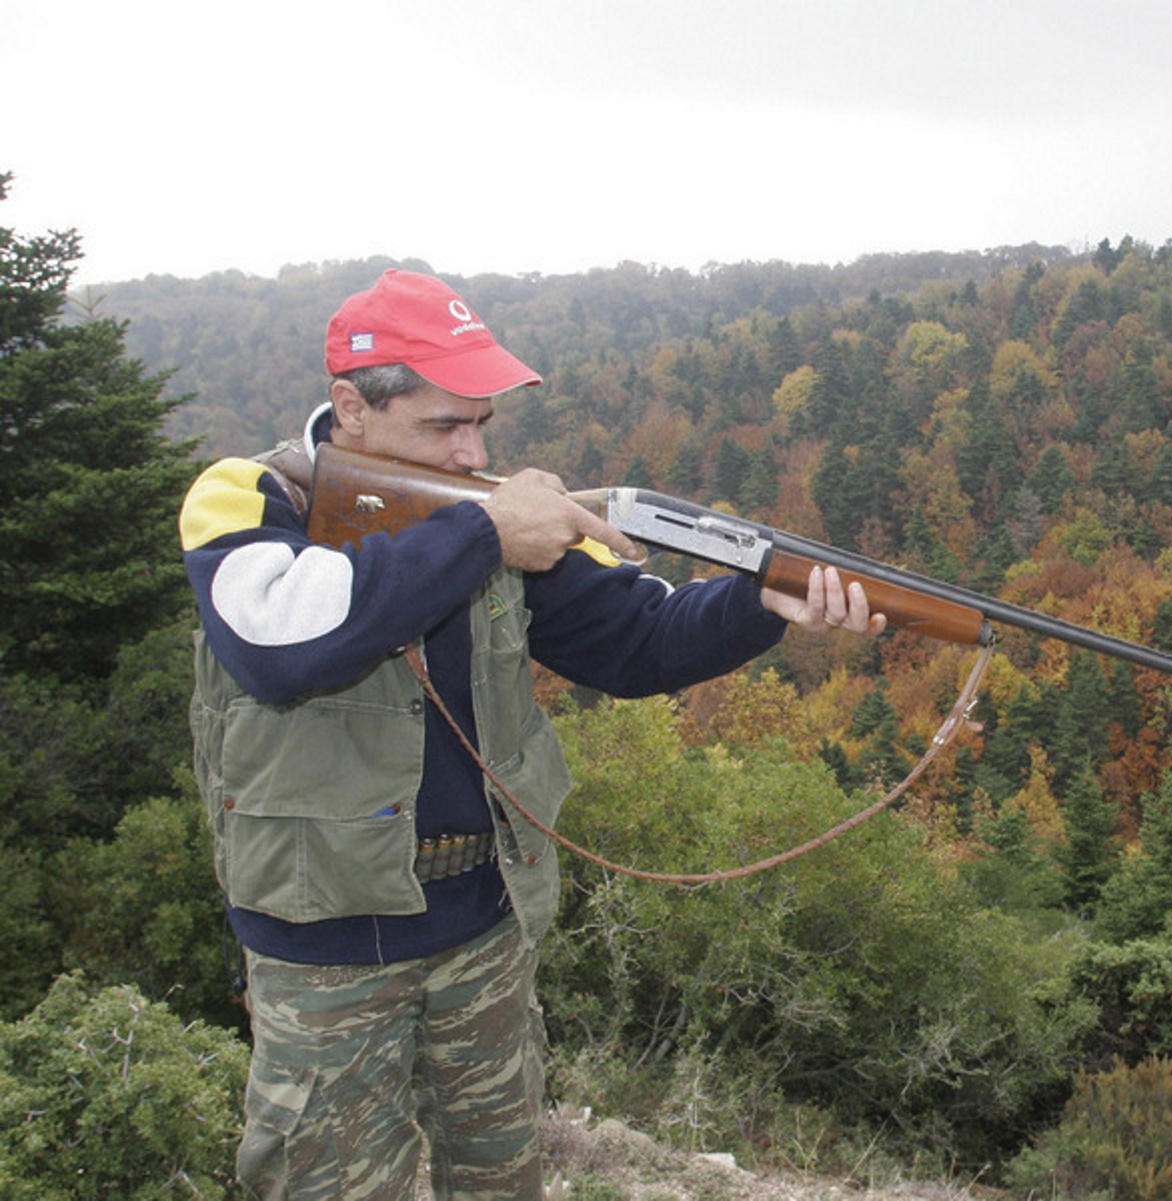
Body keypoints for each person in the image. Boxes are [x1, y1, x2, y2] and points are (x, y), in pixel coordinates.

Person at [179, 268, 885, 1199]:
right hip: (325, 939)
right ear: (350, 407)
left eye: (482, 425)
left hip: (485, 922)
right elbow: (278, 644)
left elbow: (636, 642)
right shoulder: (244, 496)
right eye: (444, 425)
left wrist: (761, 602)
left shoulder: (494, 510)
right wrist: (482, 537)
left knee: (502, 1180)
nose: (473, 453)